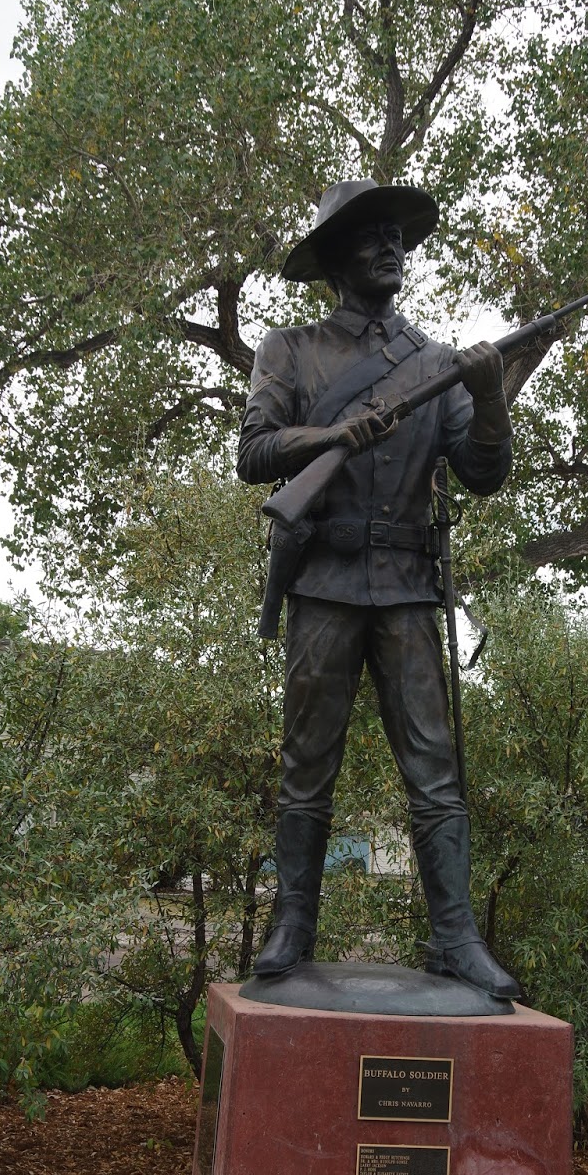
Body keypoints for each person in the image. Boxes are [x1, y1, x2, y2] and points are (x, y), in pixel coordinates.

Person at [237, 178, 521, 1001]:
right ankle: (294, 923)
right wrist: (332, 433)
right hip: (324, 583)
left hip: (405, 589)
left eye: (398, 234)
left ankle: (456, 938)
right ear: (334, 259)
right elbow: (253, 453)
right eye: (370, 236)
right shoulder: (287, 351)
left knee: (433, 772)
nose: (391, 246)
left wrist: (490, 395)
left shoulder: (437, 364)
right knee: (306, 768)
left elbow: (484, 475)